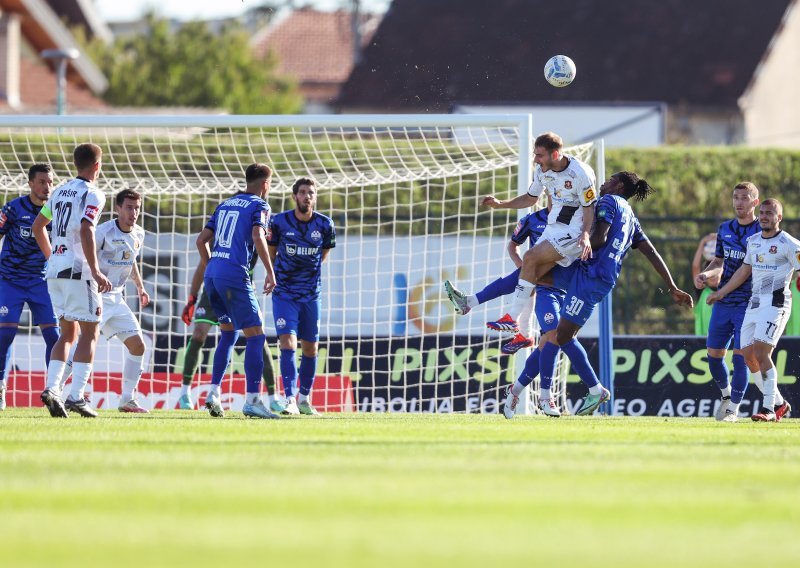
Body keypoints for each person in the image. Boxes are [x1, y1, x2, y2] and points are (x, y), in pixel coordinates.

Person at [516, 171, 693, 417]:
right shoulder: (631, 215)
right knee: (534, 271)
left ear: (618, 185)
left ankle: (595, 389)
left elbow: (600, 238)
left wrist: (564, 246)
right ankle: (505, 320)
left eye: (609, 179)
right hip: (589, 271)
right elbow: (650, 251)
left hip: (592, 277)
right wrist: (672, 285)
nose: (603, 182)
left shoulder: (609, 201)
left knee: (563, 335)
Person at [481, 132, 596, 336]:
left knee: (529, 257)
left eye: (540, 155)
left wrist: (585, 235)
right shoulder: (541, 170)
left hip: (573, 231)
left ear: (555, 154)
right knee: (534, 272)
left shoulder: (581, 174)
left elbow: (589, 208)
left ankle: (512, 318)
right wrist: (500, 204)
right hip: (554, 228)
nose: (535, 159)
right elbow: (530, 198)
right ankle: (523, 329)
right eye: (535, 154)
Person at [32, 143, 111, 418]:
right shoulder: (93, 194)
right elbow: (88, 230)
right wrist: (96, 269)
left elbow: (37, 227)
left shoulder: (59, 191)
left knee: (68, 332)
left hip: (55, 270)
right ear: (97, 166)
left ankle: (52, 389)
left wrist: (52, 257)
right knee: (91, 331)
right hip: (79, 272)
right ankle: (76, 395)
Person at [197, 163, 277, 419]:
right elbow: (257, 235)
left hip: (213, 275)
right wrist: (270, 271)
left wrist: (213, 267)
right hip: (234, 274)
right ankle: (253, 399)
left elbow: (201, 240)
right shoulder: (260, 205)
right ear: (265, 184)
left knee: (228, 333)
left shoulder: (225, 204)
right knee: (256, 335)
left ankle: (213, 393)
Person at [707, 198, 798, 422]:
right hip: (754, 304)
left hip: (776, 303)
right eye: (763, 212)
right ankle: (779, 403)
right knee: (748, 357)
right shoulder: (754, 241)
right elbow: (743, 271)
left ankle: (768, 409)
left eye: (770, 213)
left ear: (779, 218)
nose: (765, 216)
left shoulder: (789, 243)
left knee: (761, 353)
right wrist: (721, 292)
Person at [693, 182, 776, 421]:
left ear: (755, 202)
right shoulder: (725, 229)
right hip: (724, 303)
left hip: (749, 303)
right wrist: (706, 274)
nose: (739, 202)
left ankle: (733, 409)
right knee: (713, 356)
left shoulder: (761, 233)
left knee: (741, 358)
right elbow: (719, 261)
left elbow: (747, 271)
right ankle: (727, 395)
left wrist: (719, 291)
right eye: (735, 197)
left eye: (744, 198)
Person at [268, 177, 336, 416]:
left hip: (311, 295)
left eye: (311, 192)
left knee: (310, 348)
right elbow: (271, 252)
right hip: (284, 294)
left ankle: (304, 399)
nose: (307, 196)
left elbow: (323, 254)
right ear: (294, 196)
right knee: (288, 343)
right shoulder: (278, 222)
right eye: (303, 192)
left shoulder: (325, 225)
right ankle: (289, 400)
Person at [444, 206, 550, 354]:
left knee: (557, 338)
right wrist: (525, 271)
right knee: (550, 342)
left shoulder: (572, 216)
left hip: (563, 277)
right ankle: (524, 334)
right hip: (543, 276)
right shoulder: (533, 219)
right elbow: (512, 246)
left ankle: (472, 303)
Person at [179, 259, 280, 412]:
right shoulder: (216, 236)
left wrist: (271, 272)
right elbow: (202, 253)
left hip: (242, 286)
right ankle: (186, 392)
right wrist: (192, 298)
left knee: (256, 337)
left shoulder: (254, 235)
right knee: (201, 333)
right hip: (215, 287)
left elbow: (268, 247)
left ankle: (273, 397)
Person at [0, 164, 60, 411]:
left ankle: (52, 392)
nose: (47, 187)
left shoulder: (56, 210)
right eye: (42, 182)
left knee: (54, 336)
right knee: (5, 334)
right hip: (10, 280)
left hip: (41, 281)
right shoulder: (13, 208)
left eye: (50, 182)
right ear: (31, 184)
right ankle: (1, 386)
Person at [692, 232, 718, 336]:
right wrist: (702, 243)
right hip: (702, 341)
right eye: (708, 274)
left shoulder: (728, 289)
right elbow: (695, 266)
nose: (712, 276)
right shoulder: (701, 289)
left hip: (724, 341)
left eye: (714, 272)